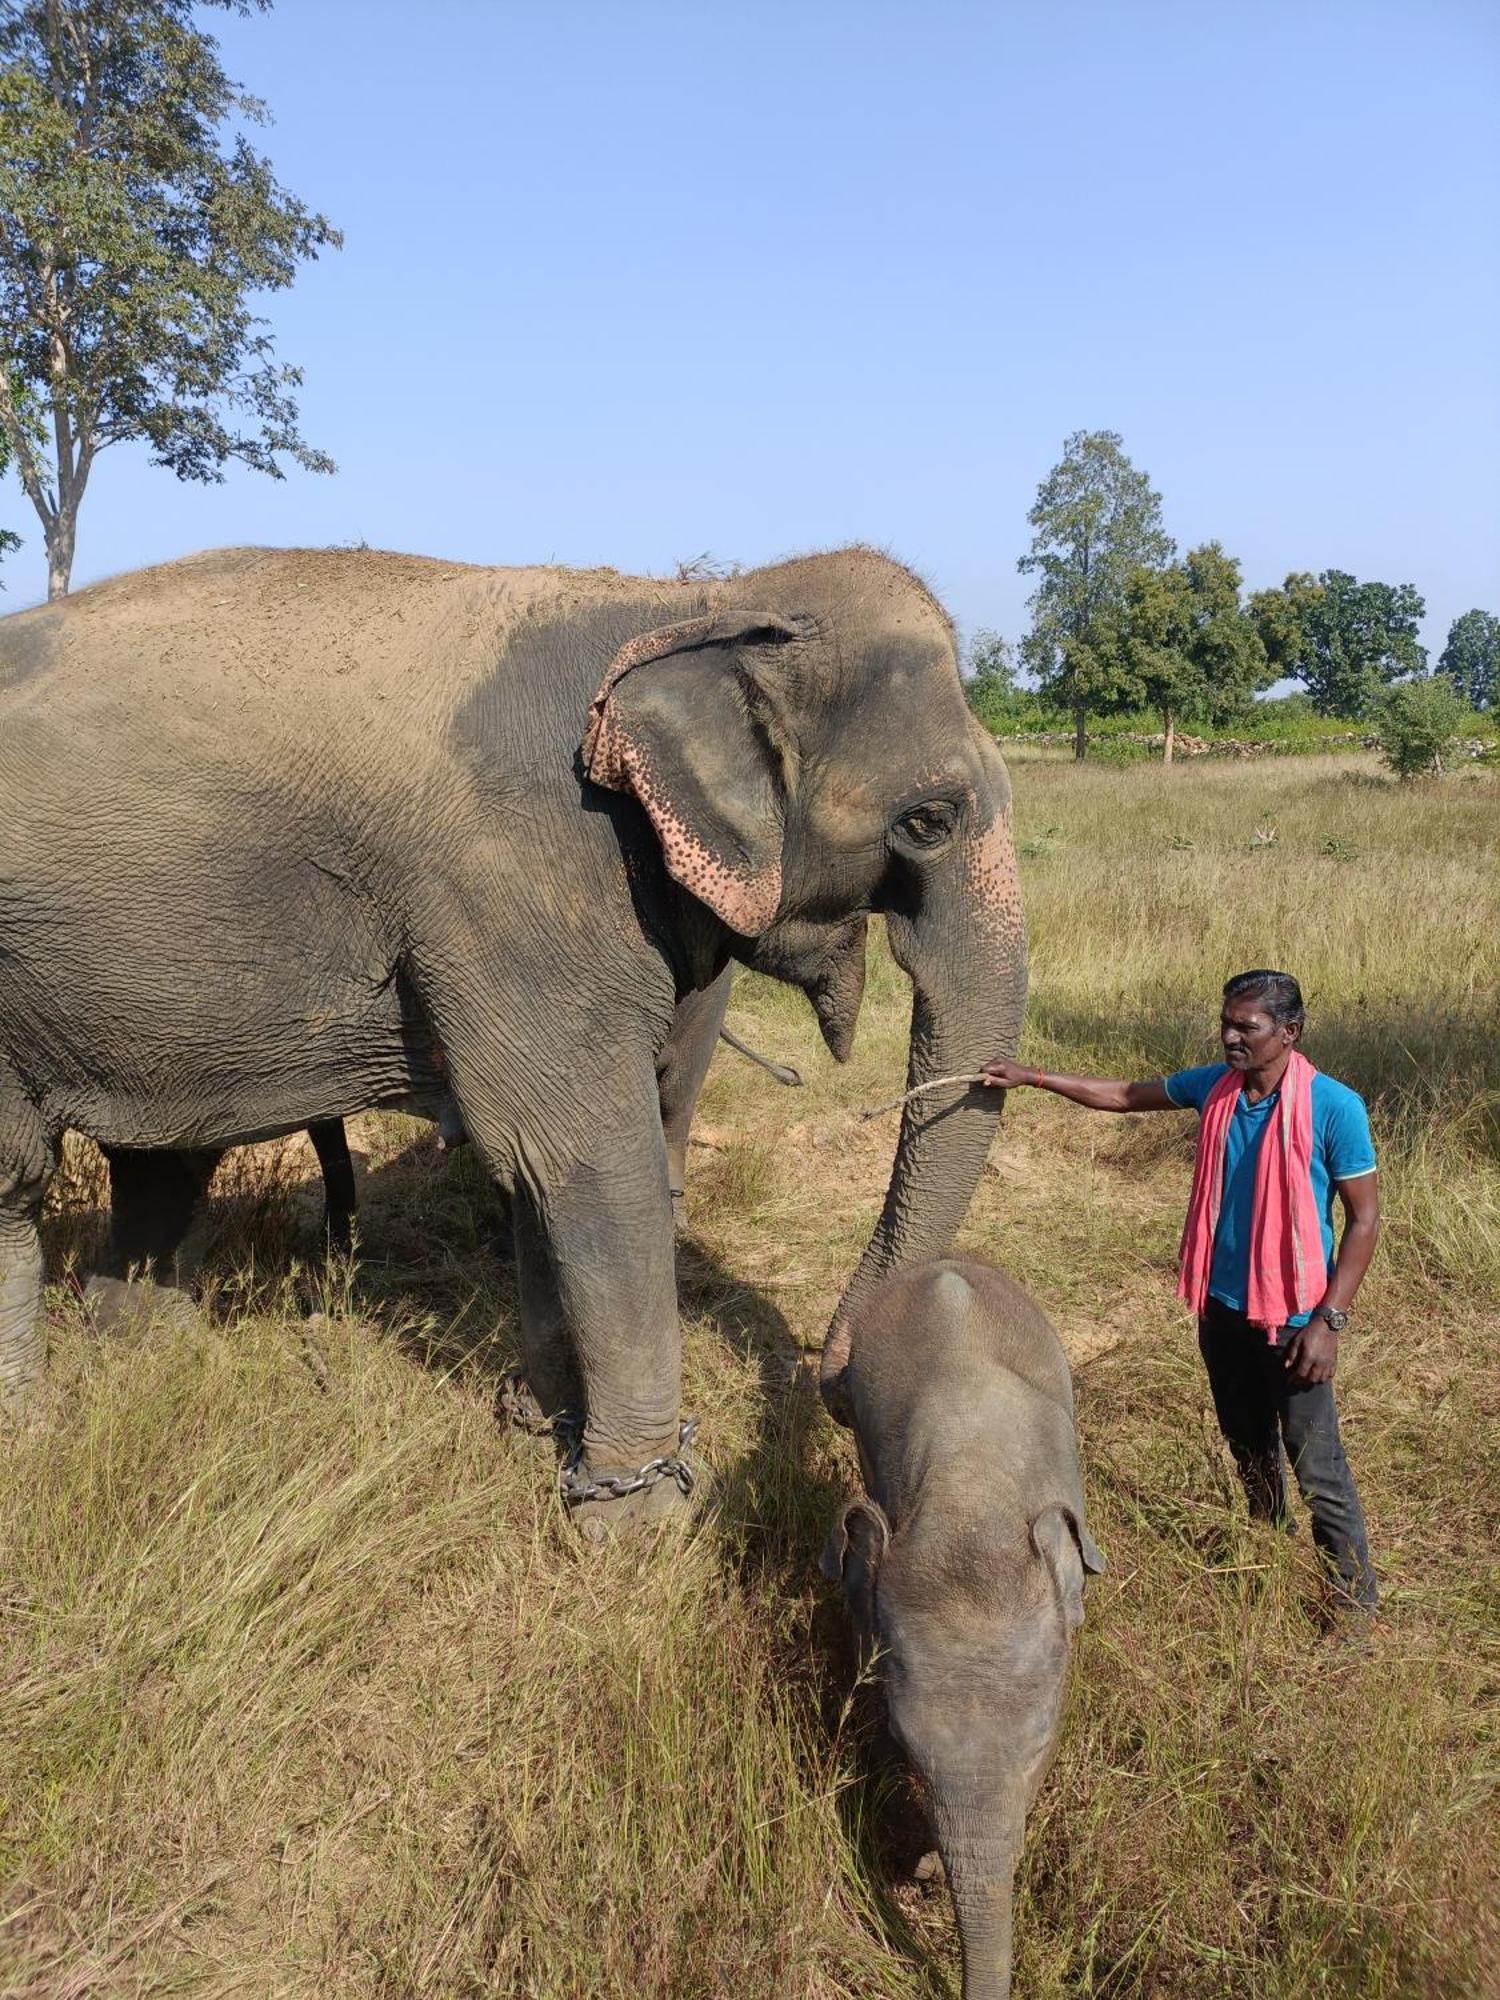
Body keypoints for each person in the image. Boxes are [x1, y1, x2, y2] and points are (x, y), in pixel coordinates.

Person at [982, 969, 1380, 1613]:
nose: (1230, 1036)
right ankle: (1268, 1551)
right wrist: (1034, 1078)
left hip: (1296, 1321)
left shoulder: (1335, 1107)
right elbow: (1122, 1095)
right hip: (1221, 1310)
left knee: (1317, 1467)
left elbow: (1364, 1219)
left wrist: (1328, 1321)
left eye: (1246, 1027)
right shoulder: (1215, 1089)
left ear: (1290, 1033)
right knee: (1248, 1444)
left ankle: (1355, 1601)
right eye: (1226, 1022)